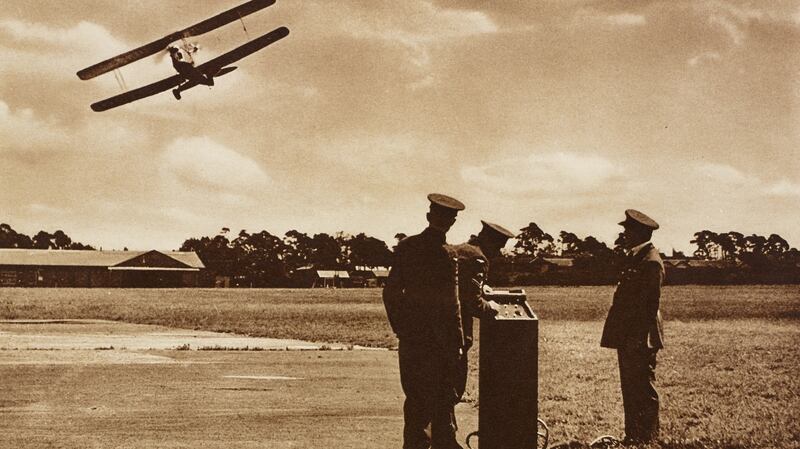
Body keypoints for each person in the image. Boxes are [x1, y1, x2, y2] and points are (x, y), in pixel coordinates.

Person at [383, 193, 468, 449]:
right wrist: (458, 341)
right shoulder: (447, 254)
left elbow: (391, 293)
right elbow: (452, 303)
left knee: (416, 403)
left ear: (429, 216)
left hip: (412, 340)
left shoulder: (407, 247)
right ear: (451, 223)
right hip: (441, 343)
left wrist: (402, 328)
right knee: (443, 402)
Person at [600, 209, 665, 444]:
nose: (624, 234)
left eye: (628, 230)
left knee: (642, 388)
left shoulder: (651, 262)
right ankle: (634, 436)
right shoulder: (637, 257)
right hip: (629, 335)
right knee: (630, 387)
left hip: (640, 336)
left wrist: (637, 337)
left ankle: (646, 439)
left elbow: (649, 306)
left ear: (639, 232)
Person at [446, 221, 514, 399]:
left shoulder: (459, 250)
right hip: (455, 333)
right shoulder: (478, 258)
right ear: (489, 242)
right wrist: (491, 306)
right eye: (498, 246)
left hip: (436, 331)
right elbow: (473, 303)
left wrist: (481, 287)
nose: (498, 252)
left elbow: (457, 285)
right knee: (452, 390)